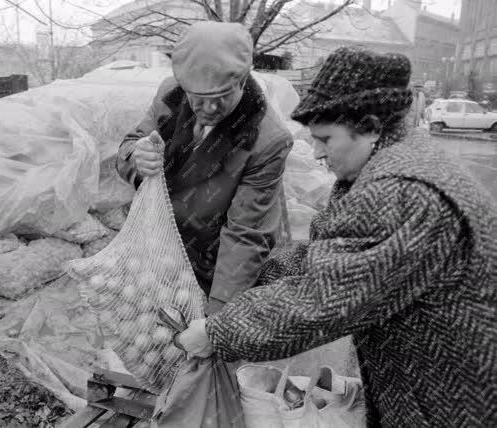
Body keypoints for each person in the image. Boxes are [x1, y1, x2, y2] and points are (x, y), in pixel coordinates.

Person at [177, 47, 497, 426]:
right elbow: (326, 254)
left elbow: (324, 299)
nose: (315, 153)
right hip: (431, 377)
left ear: (372, 126)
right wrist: (242, 277)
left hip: (447, 397)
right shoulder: (390, 163)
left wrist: (218, 332)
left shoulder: (401, 191)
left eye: (325, 138)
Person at [116, 21, 293, 314]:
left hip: (219, 264)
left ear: (242, 80)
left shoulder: (267, 140)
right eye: (199, 99)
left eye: (222, 97)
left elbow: (244, 236)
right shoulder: (170, 94)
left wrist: (218, 315)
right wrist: (136, 157)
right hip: (163, 246)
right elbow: (130, 145)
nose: (210, 109)